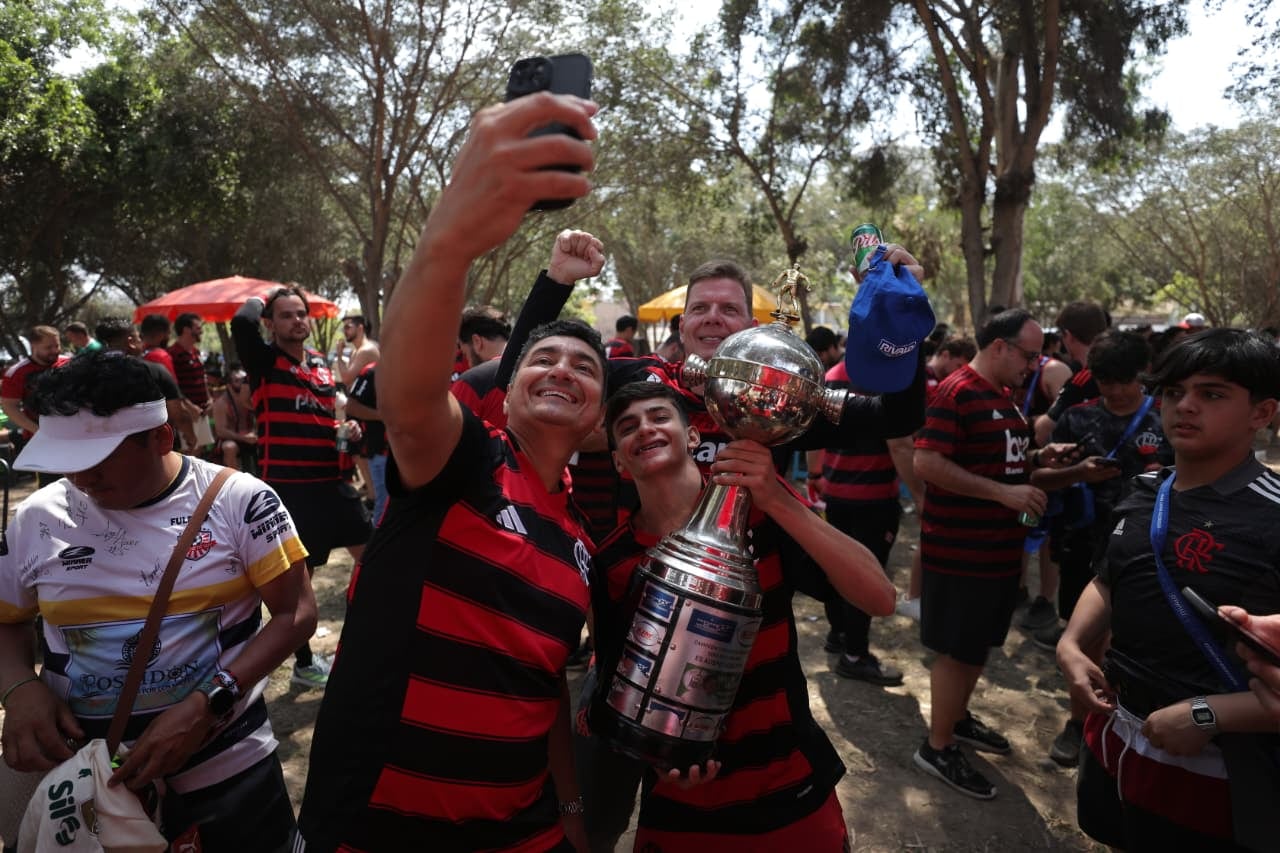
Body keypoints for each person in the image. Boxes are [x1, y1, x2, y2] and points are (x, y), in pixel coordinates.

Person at [297, 89, 603, 852]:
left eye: (585, 364)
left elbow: (543, 695)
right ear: (504, 387)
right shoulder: (466, 465)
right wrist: (449, 243)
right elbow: (406, 400)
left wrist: (569, 816)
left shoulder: (580, 543)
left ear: (600, 419)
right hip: (377, 830)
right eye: (543, 358)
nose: (562, 367)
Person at [0, 352, 316, 851]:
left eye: (96, 462)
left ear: (161, 438)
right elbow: (7, 621)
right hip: (80, 778)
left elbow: (296, 613)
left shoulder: (243, 503)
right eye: (66, 464)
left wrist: (208, 703)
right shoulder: (37, 517)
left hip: (227, 769)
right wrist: (18, 688)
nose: (80, 481)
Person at [585, 382, 896, 851]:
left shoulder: (759, 507)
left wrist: (777, 498)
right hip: (681, 809)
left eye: (658, 416)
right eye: (627, 428)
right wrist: (657, 759)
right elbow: (618, 685)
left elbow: (880, 597)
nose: (645, 428)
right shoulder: (612, 562)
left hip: (792, 790)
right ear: (618, 462)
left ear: (693, 438)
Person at [1058, 328, 1280, 852]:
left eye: (1212, 394)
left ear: (1262, 412)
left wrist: (1207, 714)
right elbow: (1110, 579)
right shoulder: (1143, 491)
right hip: (1120, 736)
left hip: (1223, 771)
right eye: (1175, 392)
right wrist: (1071, 645)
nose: (1185, 406)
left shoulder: (1272, 518)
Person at [912, 308, 1075, 799]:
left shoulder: (1003, 396)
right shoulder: (957, 391)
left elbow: (992, 458)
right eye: (1028, 355)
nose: (1033, 364)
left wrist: (1035, 459)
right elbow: (927, 461)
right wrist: (1002, 494)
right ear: (1000, 346)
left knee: (977, 645)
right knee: (958, 649)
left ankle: (956, 720)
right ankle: (937, 748)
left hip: (997, 553)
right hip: (961, 552)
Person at [1029, 330, 1172, 766]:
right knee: (1085, 638)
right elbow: (1038, 479)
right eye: (1104, 381)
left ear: (1140, 376)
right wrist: (1077, 475)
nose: (1112, 390)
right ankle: (1080, 724)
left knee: (1141, 641)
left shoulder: (1165, 417)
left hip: (1151, 551)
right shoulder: (1077, 417)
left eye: (1121, 381)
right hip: (1084, 546)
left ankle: (1136, 723)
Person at [231, 285, 372, 688]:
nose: (297, 320)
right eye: (287, 314)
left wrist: (349, 431)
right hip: (289, 490)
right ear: (271, 323)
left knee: (376, 560)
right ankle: (305, 664)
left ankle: (369, 643)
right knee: (297, 586)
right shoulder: (263, 359)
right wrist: (268, 295)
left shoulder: (319, 363)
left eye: (300, 313)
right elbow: (242, 321)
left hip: (334, 484)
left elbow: (327, 419)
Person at [97, 316, 200, 452]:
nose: (142, 341)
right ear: (131, 342)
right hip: (153, 447)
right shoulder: (155, 370)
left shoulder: (87, 375)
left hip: (106, 451)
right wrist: (191, 437)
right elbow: (178, 414)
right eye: (138, 337)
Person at [0, 326, 69, 446]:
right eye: (48, 347)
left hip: (73, 433)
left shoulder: (69, 363)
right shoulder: (16, 373)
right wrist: (38, 431)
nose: (55, 350)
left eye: (57, 346)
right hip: (38, 439)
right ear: (33, 346)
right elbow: (9, 406)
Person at [343, 361, 388, 523]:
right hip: (380, 452)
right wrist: (384, 416)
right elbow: (351, 407)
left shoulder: (408, 367)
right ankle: (377, 546)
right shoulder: (371, 372)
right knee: (383, 507)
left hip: (405, 452)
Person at [212, 365, 257, 470]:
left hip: (252, 436)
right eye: (237, 381)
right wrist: (243, 438)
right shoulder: (221, 403)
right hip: (233, 438)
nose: (242, 384)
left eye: (244, 380)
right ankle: (236, 481)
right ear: (229, 385)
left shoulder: (252, 396)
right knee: (229, 447)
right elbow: (221, 431)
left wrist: (255, 433)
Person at [333, 314, 379, 389]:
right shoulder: (355, 352)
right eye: (343, 328)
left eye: (347, 327)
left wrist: (339, 355)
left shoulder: (366, 350)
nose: (344, 331)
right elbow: (349, 385)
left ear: (360, 328)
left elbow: (346, 379)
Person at [139, 313, 179, 380]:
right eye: (168, 333)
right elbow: (171, 386)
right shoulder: (161, 357)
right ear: (161, 334)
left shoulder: (134, 354)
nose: (169, 337)